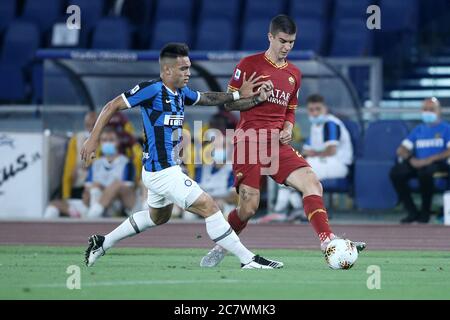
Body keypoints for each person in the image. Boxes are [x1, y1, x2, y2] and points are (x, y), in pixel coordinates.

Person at [81, 42, 283, 269]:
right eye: (183, 69)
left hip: (158, 171)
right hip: (162, 171)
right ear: (167, 70)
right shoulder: (152, 90)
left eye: (189, 68)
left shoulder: (181, 93)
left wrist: (237, 94)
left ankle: (103, 242)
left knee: (157, 217)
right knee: (210, 206)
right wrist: (92, 138)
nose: (188, 73)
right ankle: (248, 259)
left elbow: (207, 98)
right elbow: (111, 106)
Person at [200, 15, 365, 268]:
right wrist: (255, 98)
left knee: (312, 182)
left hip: (277, 144)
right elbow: (230, 103)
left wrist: (288, 127)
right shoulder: (249, 64)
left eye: (292, 42)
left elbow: (290, 109)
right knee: (249, 207)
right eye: (282, 41)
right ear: (270, 37)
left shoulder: (294, 74)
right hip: (249, 140)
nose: (287, 47)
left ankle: (326, 240)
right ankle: (222, 247)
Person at [44, 127, 136, 218]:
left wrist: (100, 187)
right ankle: (75, 215)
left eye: (111, 140)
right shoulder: (95, 164)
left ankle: (93, 216)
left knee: (115, 185)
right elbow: (87, 189)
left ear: (118, 142)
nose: (108, 143)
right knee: (55, 204)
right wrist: (89, 193)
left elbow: (126, 190)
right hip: (92, 202)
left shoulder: (126, 163)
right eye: (104, 140)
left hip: (115, 206)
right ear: (100, 142)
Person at [390, 97, 450, 223]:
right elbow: (401, 150)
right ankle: (412, 211)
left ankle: (425, 213)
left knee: (426, 173)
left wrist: (430, 159)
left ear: (439, 111)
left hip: (438, 163)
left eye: (431, 109)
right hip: (417, 162)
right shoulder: (418, 130)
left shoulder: (446, 129)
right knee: (396, 173)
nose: (428, 112)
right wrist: (411, 159)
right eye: (425, 109)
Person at [303, 94, 353, 180]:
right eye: (311, 110)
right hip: (322, 161)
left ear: (325, 109)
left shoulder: (331, 123)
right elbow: (306, 151)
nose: (315, 113)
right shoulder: (314, 126)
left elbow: (331, 151)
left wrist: (314, 154)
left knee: (303, 171)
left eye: (318, 109)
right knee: (291, 169)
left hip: (338, 164)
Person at [62, 111, 97, 199]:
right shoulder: (76, 140)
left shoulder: (106, 140)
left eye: (94, 125)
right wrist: (66, 196)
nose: (91, 129)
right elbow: (68, 170)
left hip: (97, 188)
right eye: (88, 125)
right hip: (79, 187)